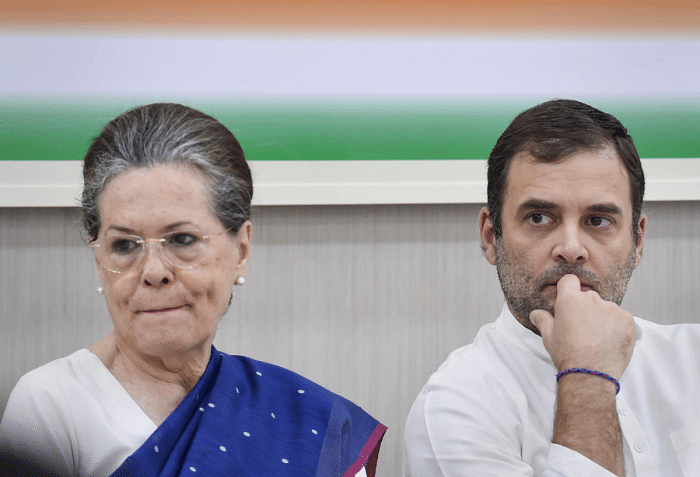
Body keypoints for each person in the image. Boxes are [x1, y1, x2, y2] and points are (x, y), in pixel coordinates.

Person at [0, 103, 386, 477]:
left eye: (182, 239)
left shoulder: (305, 417)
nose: (153, 272)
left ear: (241, 250)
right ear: (99, 259)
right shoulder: (53, 405)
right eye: (124, 245)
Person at [403, 99, 700, 476]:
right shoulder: (455, 407)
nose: (571, 249)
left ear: (637, 242)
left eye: (598, 220)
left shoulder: (693, 360)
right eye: (539, 217)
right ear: (491, 237)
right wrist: (587, 375)